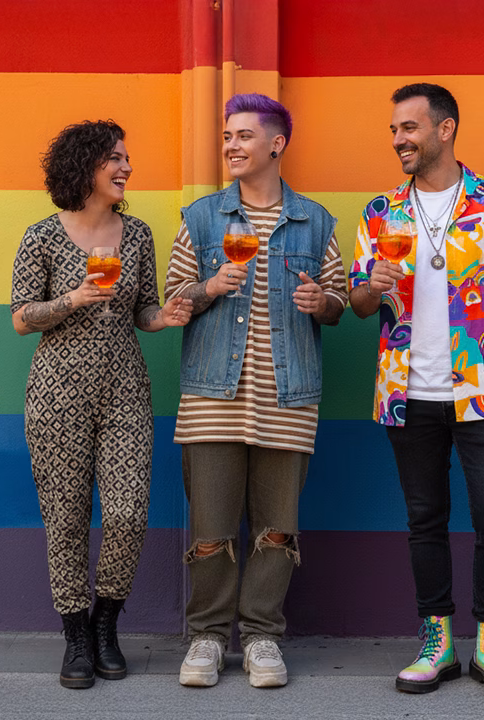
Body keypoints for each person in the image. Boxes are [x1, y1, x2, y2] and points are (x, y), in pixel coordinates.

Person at [348, 84, 484, 706]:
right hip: (406, 391)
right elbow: (358, 304)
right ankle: (436, 641)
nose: (398, 140)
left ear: (445, 129)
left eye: (409, 128)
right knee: (424, 520)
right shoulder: (381, 211)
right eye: (393, 130)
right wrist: (373, 285)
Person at [165, 93, 348, 689]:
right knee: (211, 527)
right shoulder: (201, 219)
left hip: (287, 398)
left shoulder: (316, 222)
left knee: (277, 526)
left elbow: (339, 301)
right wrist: (210, 286)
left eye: (244, 136)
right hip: (211, 398)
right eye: (227, 137)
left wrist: (323, 302)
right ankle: (207, 637)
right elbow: (173, 299)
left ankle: (263, 635)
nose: (231, 146)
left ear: (277, 144)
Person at [9, 120, 192, 689]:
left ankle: (106, 622)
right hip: (57, 394)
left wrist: (166, 317)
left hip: (125, 390)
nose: (126, 167)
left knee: (128, 514)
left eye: (127, 158)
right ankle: (76, 638)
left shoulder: (136, 235)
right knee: (65, 519)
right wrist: (73, 297)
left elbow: (144, 311)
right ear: (85, 165)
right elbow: (21, 318)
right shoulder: (41, 237)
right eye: (115, 158)